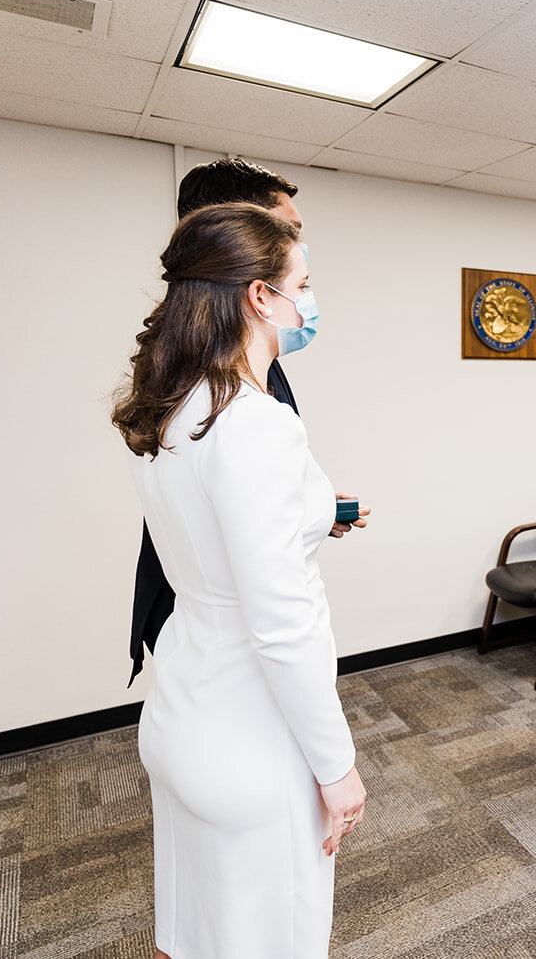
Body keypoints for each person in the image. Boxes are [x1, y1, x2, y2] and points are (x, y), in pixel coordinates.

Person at [111, 203, 365, 957]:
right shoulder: (255, 424)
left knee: (193, 931)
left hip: (185, 710)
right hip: (252, 739)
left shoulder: (170, 411)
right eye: (303, 283)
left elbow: (212, 544)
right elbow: (282, 623)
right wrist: (338, 766)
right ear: (260, 295)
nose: (309, 302)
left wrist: (316, 516)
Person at [129, 159, 367, 682]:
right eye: (291, 232)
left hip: (193, 651)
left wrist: (308, 506)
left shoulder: (177, 380)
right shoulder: (241, 405)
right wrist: (337, 765)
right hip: (236, 644)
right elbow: (279, 626)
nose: (300, 248)